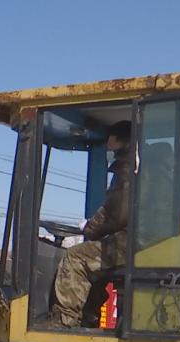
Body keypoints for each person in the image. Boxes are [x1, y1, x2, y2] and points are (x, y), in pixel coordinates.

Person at [50, 120, 133, 328]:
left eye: (113, 149)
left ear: (126, 144)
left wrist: (90, 228)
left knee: (74, 257)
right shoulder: (149, 171)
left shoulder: (128, 173)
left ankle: (64, 322)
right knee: (96, 264)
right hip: (143, 241)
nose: (111, 154)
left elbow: (115, 213)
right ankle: (89, 315)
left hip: (132, 243)